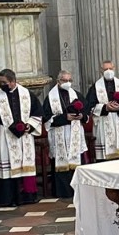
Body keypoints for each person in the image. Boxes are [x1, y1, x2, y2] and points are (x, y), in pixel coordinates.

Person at [0, 68, 44, 206]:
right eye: (0, 82)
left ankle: (27, 196)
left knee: (25, 165)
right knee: (7, 168)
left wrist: (29, 126)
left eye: (4, 82)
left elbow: (37, 113)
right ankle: (8, 199)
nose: (1, 85)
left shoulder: (27, 95)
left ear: (13, 81)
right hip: (5, 136)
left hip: (25, 137)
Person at [45, 70, 86, 200]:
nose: (67, 83)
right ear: (58, 81)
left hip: (75, 135)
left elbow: (86, 114)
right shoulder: (50, 98)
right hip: (59, 135)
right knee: (61, 163)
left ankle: (79, 190)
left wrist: (81, 116)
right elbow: (47, 119)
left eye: (70, 80)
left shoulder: (77, 95)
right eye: (64, 80)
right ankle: (63, 192)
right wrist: (65, 117)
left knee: (77, 162)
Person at [86, 60, 119, 161]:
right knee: (105, 160)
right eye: (105, 69)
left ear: (114, 69)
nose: (108, 71)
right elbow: (90, 107)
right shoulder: (95, 88)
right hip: (103, 122)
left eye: (110, 69)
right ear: (101, 71)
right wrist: (105, 108)